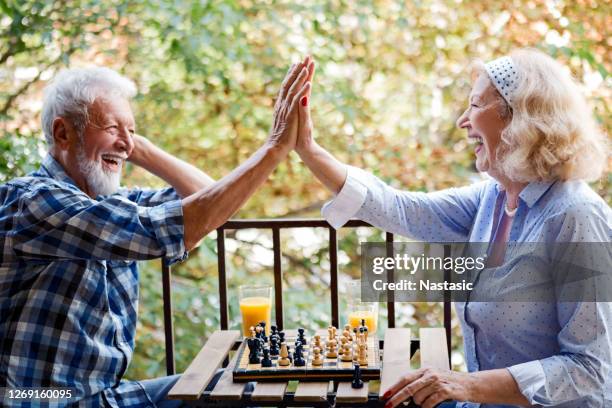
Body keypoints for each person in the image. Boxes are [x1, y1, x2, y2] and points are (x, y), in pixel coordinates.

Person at [296, 49, 611, 407]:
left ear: (519, 117)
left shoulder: (576, 217)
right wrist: (306, 148)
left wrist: (467, 385)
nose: (463, 120)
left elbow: (591, 371)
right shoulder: (491, 200)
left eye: (476, 105)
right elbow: (399, 208)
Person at [0, 58, 311, 407]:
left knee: (240, 386)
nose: (125, 143)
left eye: (131, 130)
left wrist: (134, 145)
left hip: (103, 397)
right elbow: (180, 224)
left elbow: (209, 199)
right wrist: (274, 148)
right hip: (41, 401)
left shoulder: (111, 201)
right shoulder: (36, 202)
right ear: (63, 133)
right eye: (111, 127)